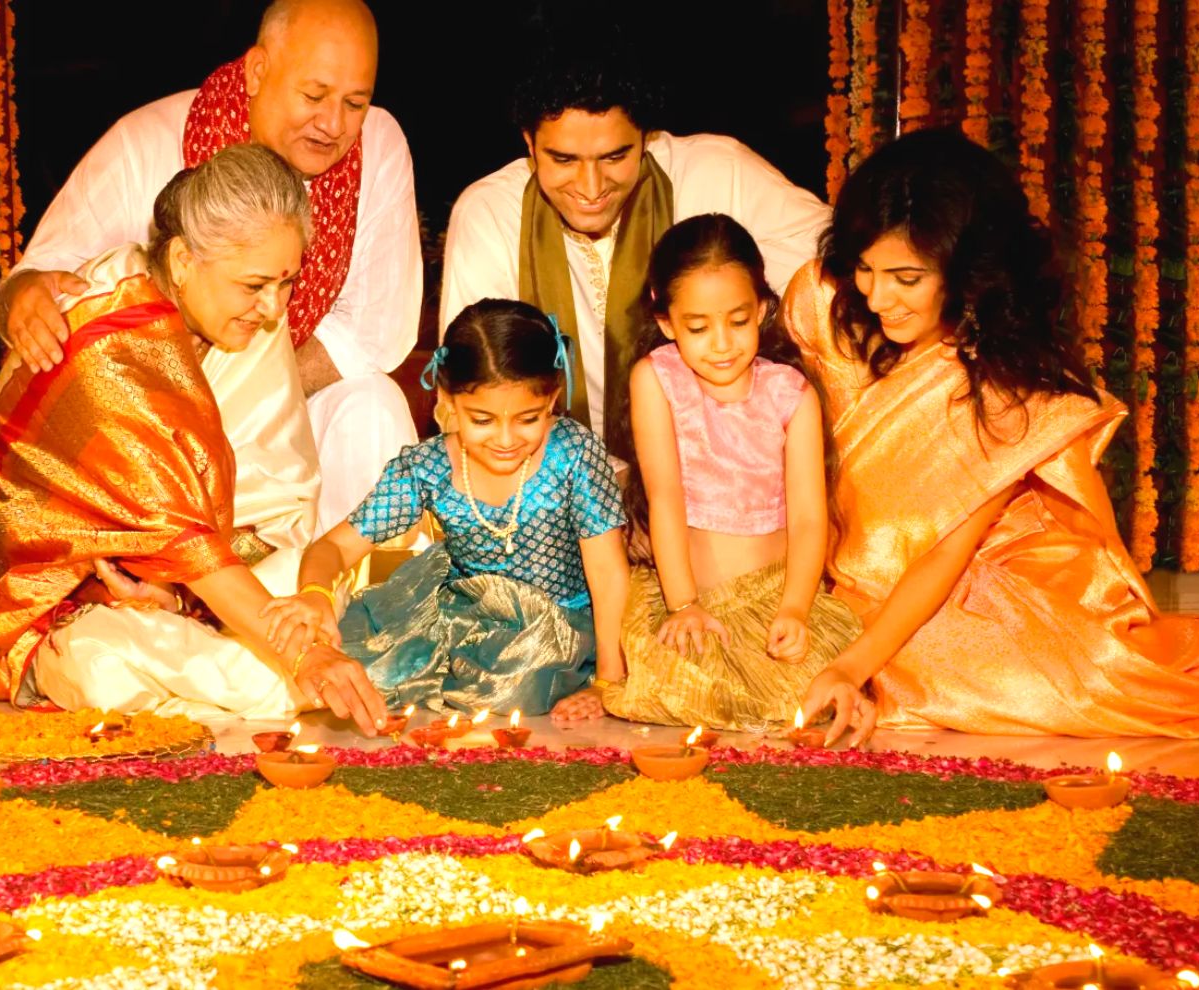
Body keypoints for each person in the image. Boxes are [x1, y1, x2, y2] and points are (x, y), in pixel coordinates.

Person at [785, 127, 1199, 739]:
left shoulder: (1006, 376)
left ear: (969, 269)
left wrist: (853, 663)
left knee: (981, 673)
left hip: (970, 572)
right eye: (867, 270)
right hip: (845, 565)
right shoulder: (822, 301)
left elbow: (944, 552)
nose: (877, 298)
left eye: (907, 279)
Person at [0, 0, 421, 530]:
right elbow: (49, 274)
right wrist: (25, 296)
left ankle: (374, 593)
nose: (333, 124)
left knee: (373, 406)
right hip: (151, 424)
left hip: (293, 401)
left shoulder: (377, 145)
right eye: (313, 96)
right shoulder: (145, 142)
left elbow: (373, 333)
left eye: (355, 103)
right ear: (258, 70)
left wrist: (253, 397)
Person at [0, 144, 321, 721]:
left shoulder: (242, 314)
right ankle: (271, 675)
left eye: (287, 282)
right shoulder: (112, 350)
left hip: (190, 584)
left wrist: (174, 597)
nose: (273, 308)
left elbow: (276, 503)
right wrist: (305, 656)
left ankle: (242, 670)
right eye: (255, 286)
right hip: (73, 599)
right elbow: (180, 540)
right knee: (101, 665)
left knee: (318, 573)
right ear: (181, 262)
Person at [262, 300, 632, 730]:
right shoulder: (428, 467)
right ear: (447, 401)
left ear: (552, 398)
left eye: (529, 418)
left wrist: (608, 683)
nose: (507, 439)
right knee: (361, 669)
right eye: (483, 420)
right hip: (466, 617)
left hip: (563, 623)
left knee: (516, 681)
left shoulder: (573, 454)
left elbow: (607, 573)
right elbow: (334, 546)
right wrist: (315, 594)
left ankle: (568, 673)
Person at [439, 50, 830, 454]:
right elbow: (467, 385)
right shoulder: (490, 215)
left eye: (614, 157)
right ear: (530, 144)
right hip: (544, 480)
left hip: (714, 471)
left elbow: (835, 269)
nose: (590, 189)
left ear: (647, 137)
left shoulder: (718, 173)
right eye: (563, 159)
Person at [596, 214, 863, 733]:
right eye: (698, 328)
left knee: (805, 699)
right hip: (688, 596)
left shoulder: (792, 393)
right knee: (679, 691)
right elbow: (666, 497)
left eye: (738, 321)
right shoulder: (657, 378)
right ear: (667, 320)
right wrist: (684, 604)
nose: (721, 344)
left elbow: (810, 519)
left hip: (775, 596)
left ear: (763, 308)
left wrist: (796, 608)